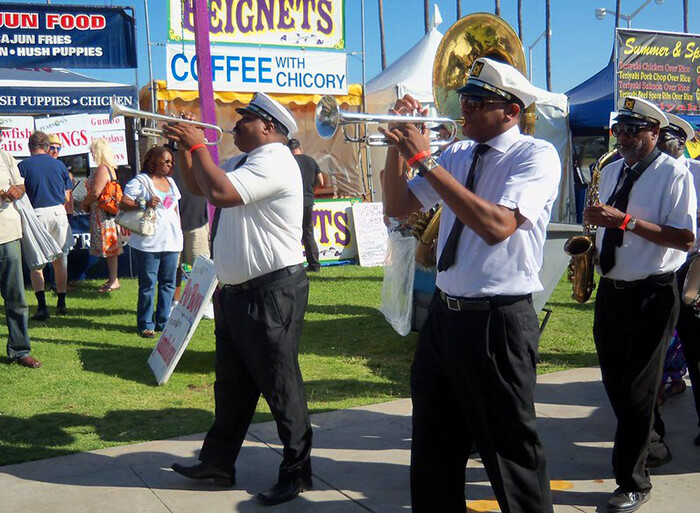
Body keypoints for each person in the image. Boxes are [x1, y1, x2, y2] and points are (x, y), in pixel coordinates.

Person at [380, 57, 560, 513]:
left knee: (510, 452)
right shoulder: (458, 154)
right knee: (433, 448)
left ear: (511, 111)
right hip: (446, 316)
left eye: (478, 102)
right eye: (464, 99)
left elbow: (497, 225)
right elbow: (398, 206)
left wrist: (423, 159)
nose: (465, 109)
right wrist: (397, 144)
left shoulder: (536, 156)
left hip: (498, 321)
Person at [164, 92, 312, 506]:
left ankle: (298, 472)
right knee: (231, 388)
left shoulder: (275, 159)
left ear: (267, 127)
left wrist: (197, 143)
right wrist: (183, 145)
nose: (235, 124)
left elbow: (223, 194)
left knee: (281, 386)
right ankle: (217, 462)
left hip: (271, 291)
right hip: (239, 294)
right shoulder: (245, 160)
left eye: (244, 118)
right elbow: (199, 185)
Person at [584, 97, 696, 513]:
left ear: (654, 133)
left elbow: (685, 239)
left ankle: (633, 481)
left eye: (633, 130)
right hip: (613, 291)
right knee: (616, 383)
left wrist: (625, 222)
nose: (624, 137)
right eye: (620, 130)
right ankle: (653, 444)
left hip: (652, 293)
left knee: (637, 389)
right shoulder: (611, 170)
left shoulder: (674, 173)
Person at [657, 113, 700, 444]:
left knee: (696, 350)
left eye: (664, 140)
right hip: (656, 272)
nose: (657, 145)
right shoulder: (646, 176)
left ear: (681, 144)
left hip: (693, 271)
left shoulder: (697, 173)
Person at [119, 146, 182, 338]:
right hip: (148, 242)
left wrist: (179, 232)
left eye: (171, 161)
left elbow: (175, 210)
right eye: (166, 161)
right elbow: (123, 203)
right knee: (148, 284)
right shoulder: (140, 181)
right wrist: (143, 203)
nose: (170, 165)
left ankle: (163, 321)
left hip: (172, 240)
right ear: (154, 161)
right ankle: (145, 323)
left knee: (168, 283)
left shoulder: (171, 182)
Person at [18, 131, 73, 320]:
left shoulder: (23, 166)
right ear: (48, 146)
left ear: (30, 146)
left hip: (36, 214)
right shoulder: (59, 165)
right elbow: (67, 196)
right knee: (60, 259)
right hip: (58, 212)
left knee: (37, 263)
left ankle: (42, 307)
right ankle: (61, 302)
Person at [0, 137, 41, 368]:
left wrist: (17, 190)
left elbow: (21, 185)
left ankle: (20, 350)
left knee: (16, 297)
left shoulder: (5, 156)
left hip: (8, 233)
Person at [80, 138, 123, 293]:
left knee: (109, 248)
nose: (91, 154)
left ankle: (113, 280)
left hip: (102, 214)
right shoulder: (111, 168)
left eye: (93, 151)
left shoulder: (102, 169)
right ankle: (113, 279)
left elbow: (96, 192)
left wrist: (84, 203)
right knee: (111, 249)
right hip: (108, 213)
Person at [287, 138, 324, 272]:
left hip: (291, 202)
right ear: (300, 147)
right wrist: (311, 189)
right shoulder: (311, 160)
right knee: (308, 233)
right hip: (308, 200)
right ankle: (314, 264)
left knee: (291, 233)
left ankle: (294, 266)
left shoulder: (288, 162)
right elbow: (321, 181)